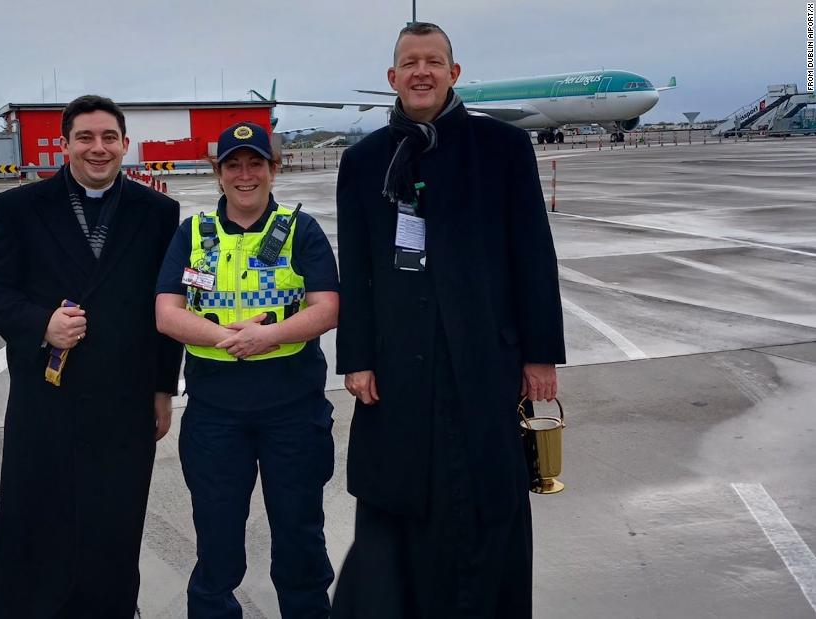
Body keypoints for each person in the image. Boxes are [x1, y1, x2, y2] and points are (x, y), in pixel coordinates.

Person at [330, 22, 566, 618]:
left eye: (434, 61)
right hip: (398, 365)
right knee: (403, 492)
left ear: (454, 73)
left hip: (486, 359)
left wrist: (540, 355)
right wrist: (355, 356)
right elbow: (353, 267)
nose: (422, 72)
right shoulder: (363, 162)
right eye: (410, 62)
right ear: (392, 77)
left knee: (487, 493)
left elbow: (533, 254)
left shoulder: (504, 149)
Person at [0, 94, 182, 618]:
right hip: (48, 395)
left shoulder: (157, 213)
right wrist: (41, 323)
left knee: (115, 516)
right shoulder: (20, 208)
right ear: (64, 145)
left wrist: (162, 387)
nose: (98, 148)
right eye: (85, 137)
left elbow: (167, 306)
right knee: (36, 515)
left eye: (109, 137)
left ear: (126, 144)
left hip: (124, 396)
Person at [155, 121, 339, 619]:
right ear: (218, 173)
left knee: (300, 534)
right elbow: (166, 313)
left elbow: (327, 307)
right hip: (216, 414)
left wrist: (269, 335)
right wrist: (226, 338)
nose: (244, 175)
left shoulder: (302, 230)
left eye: (255, 163)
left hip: (292, 411)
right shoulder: (194, 234)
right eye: (232, 165)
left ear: (274, 169)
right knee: (216, 539)